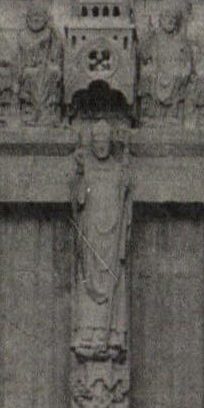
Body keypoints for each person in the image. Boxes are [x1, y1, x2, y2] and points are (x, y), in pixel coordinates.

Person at [71, 122, 132, 359]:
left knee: (113, 281)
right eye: (97, 142)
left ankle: (114, 333)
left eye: (105, 142)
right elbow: (78, 201)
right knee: (89, 281)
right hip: (92, 237)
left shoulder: (118, 168)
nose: (101, 146)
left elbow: (125, 198)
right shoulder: (86, 169)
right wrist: (78, 174)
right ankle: (89, 333)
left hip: (113, 236)